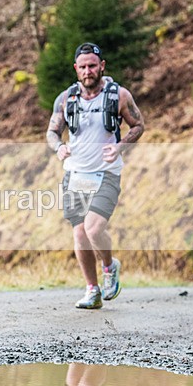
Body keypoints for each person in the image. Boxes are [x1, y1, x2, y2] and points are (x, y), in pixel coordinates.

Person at [46, 42, 145, 309]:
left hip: (107, 173)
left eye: (92, 66)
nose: (88, 71)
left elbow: (138, 125)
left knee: (93, 228)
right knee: (79, 234)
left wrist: (121, 146)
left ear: (102, 66)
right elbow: (52, 132)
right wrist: (59, 147)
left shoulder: (119, 95)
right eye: (83, 67)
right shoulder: (66, 99)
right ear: (76, 69)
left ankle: (109, 266)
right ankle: (92, 290)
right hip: (75, 174)